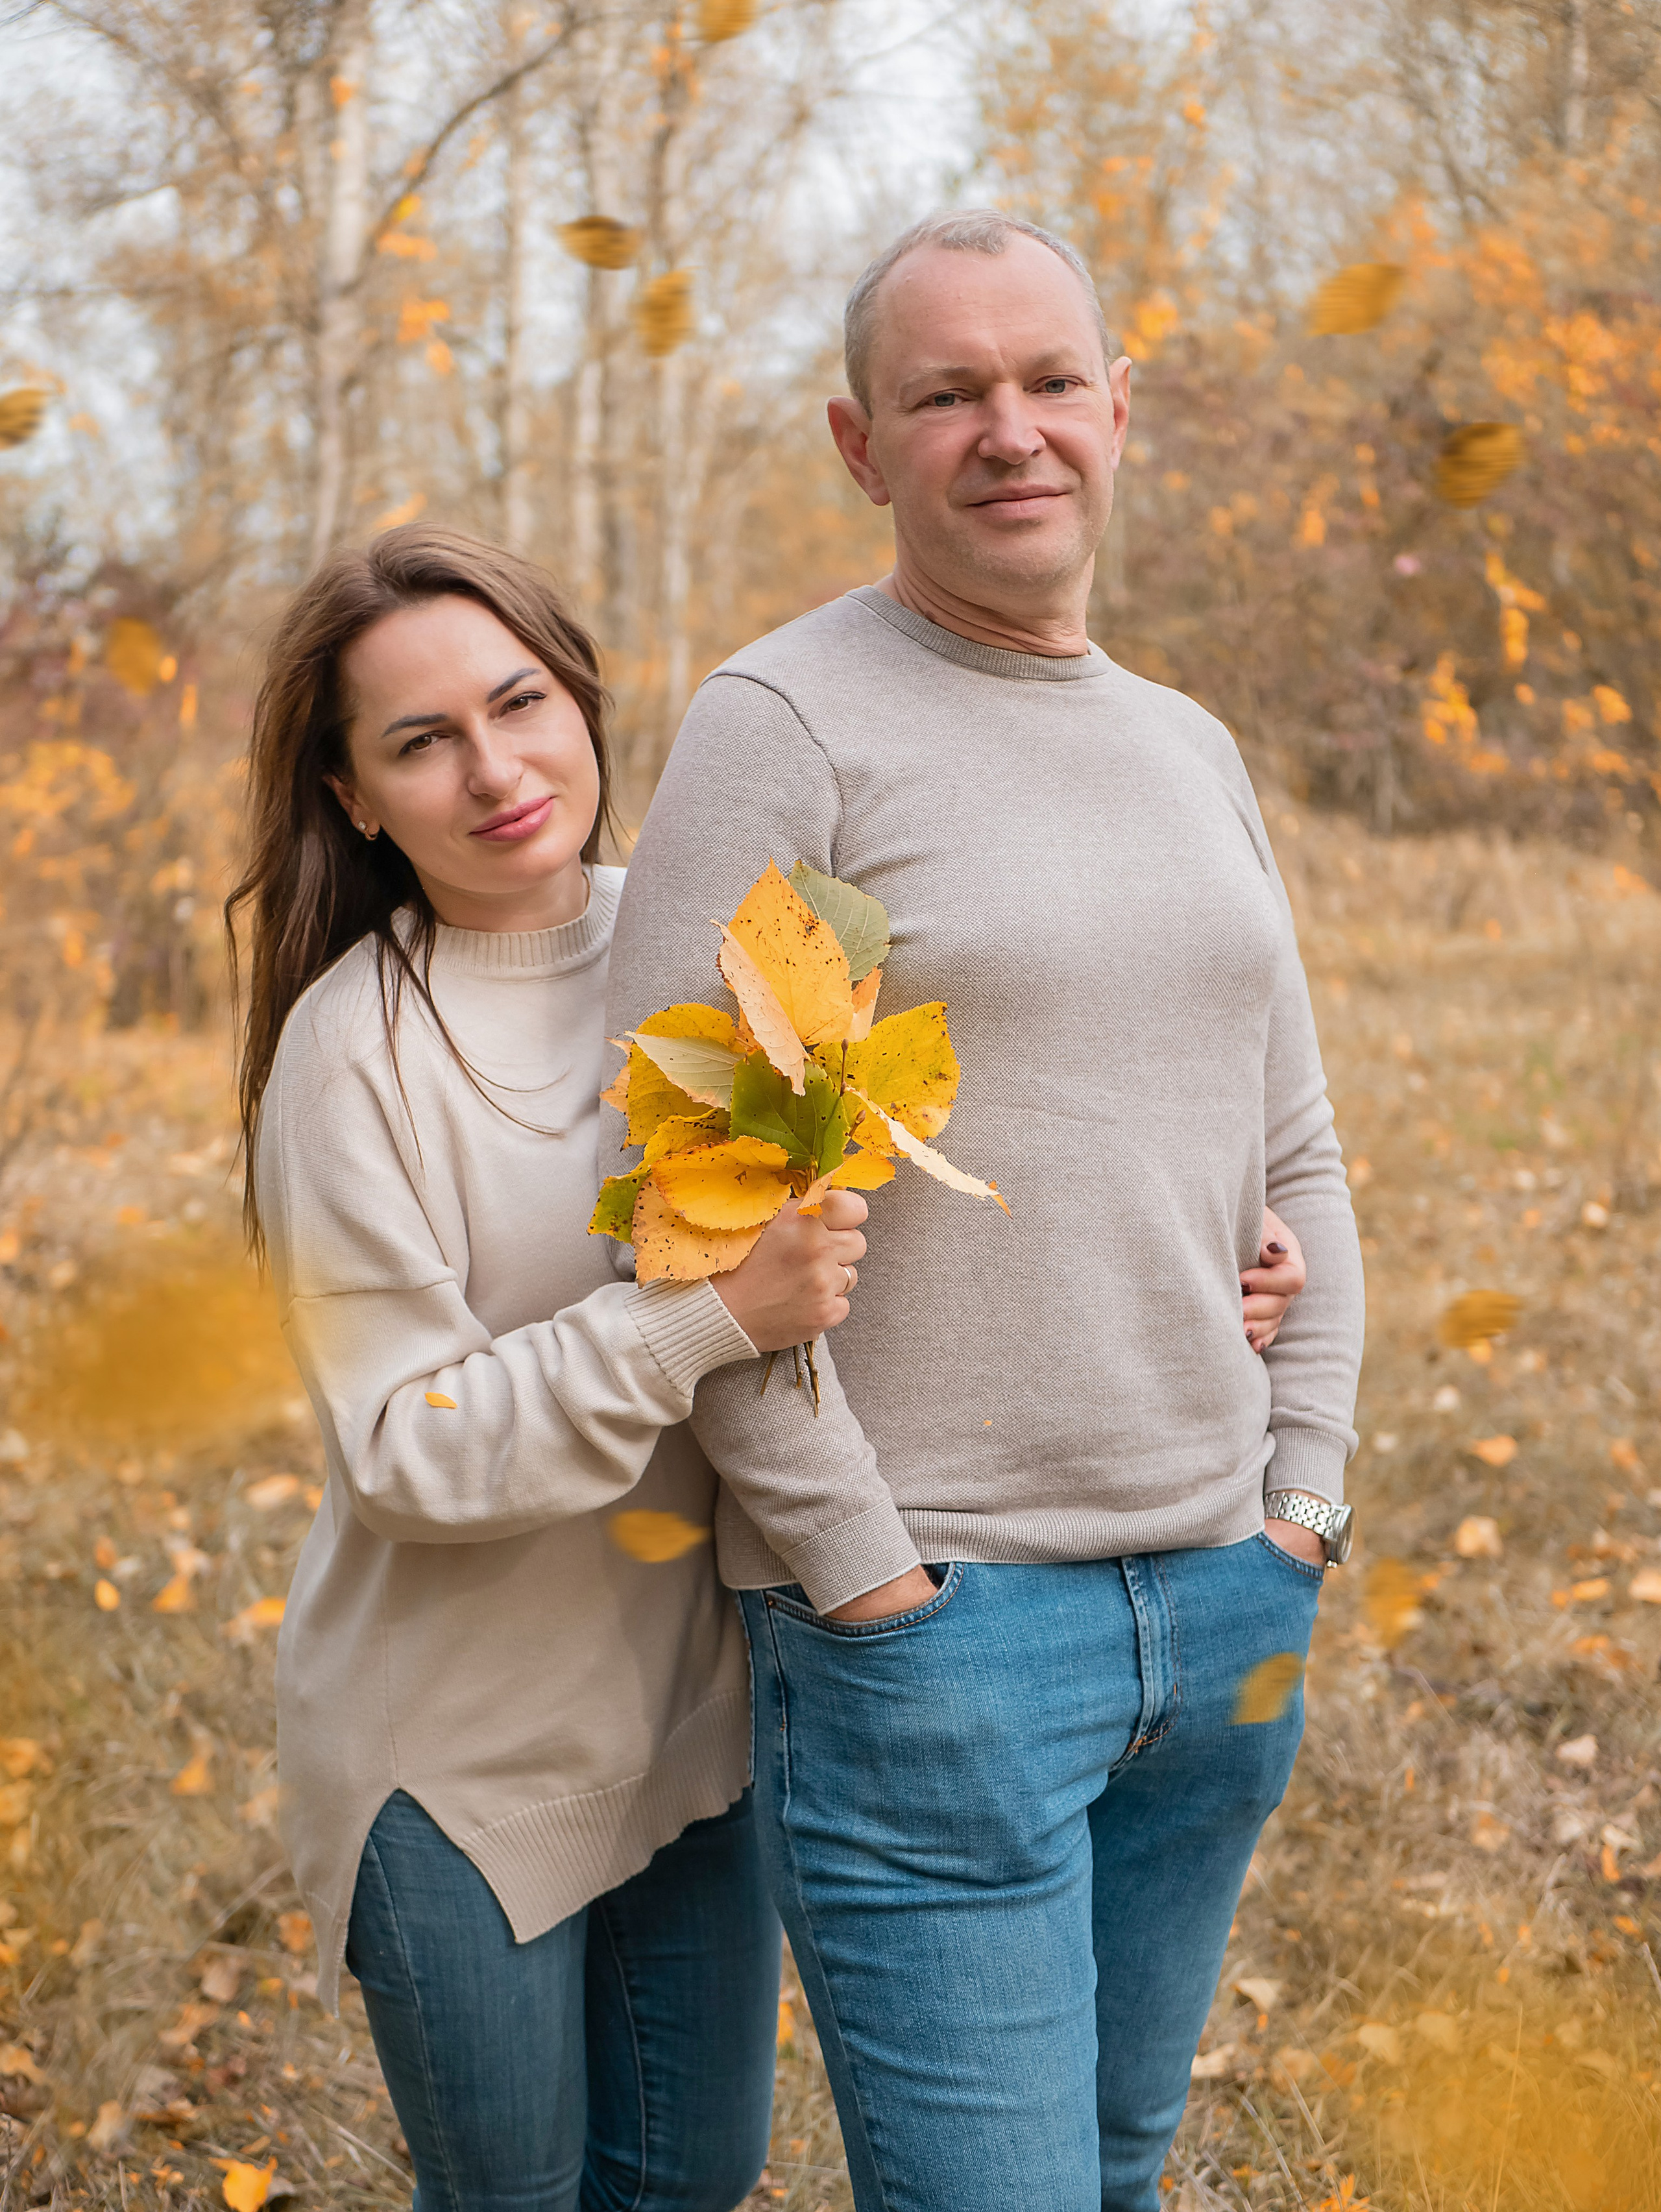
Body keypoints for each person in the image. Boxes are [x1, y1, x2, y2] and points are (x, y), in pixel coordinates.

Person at [605, 210, 1366, 2212]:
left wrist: (1303, 1498)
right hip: (942, 1632)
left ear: (1121, 410)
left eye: (1048, 381)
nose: (1009, 430)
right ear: (863, 444)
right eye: (947, 393)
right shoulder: (787, 727)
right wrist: (865, 1575)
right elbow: (681, 1203)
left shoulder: (1191, 747)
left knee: (1116, 2169)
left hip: (1224, 1594)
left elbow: (1296, 1140)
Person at [226, 524, 873, 2212]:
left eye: (520, 702)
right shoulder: (352, 1053)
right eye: (421, 740)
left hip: (695, 1720)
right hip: (457, 1767)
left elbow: (877, 1198)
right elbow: (405, 1447)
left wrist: (1223, 1261)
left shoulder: (723, 962)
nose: (497, 771)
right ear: (356, 797)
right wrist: (704, 1322)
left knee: (695, 2174)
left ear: (582, 698)